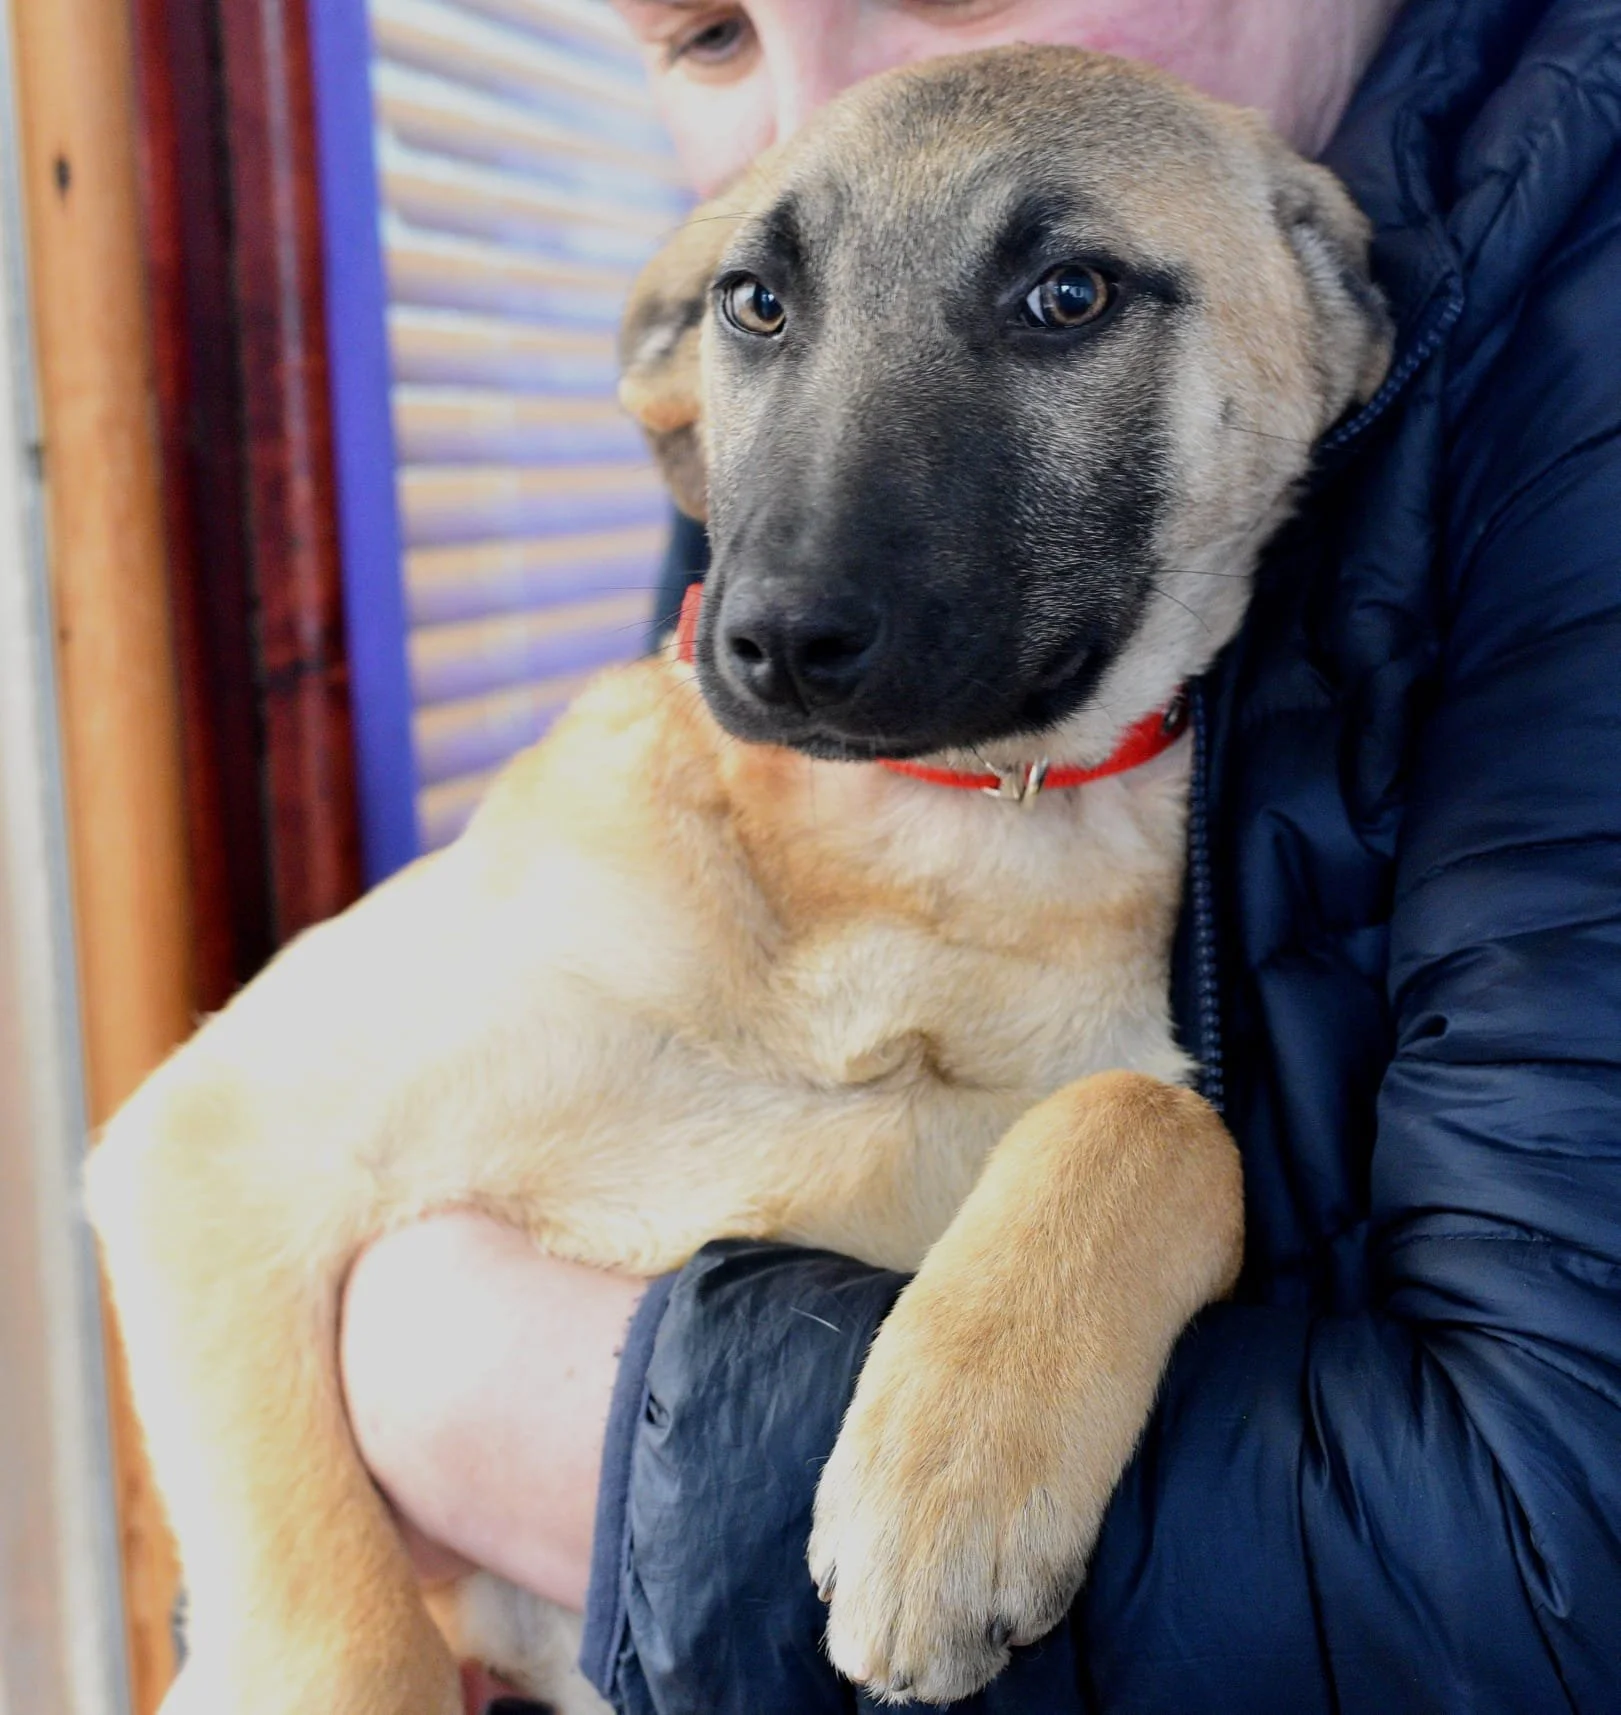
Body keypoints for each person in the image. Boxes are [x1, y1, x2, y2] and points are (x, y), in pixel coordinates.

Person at [339, 0, 1621, 1708]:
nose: (832, 109)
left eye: (1061, 295)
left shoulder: (1558, 385)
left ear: (1330, 318)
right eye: (711, 32)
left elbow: (1546, 1569)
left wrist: (463, 1390)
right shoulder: (794, 420)